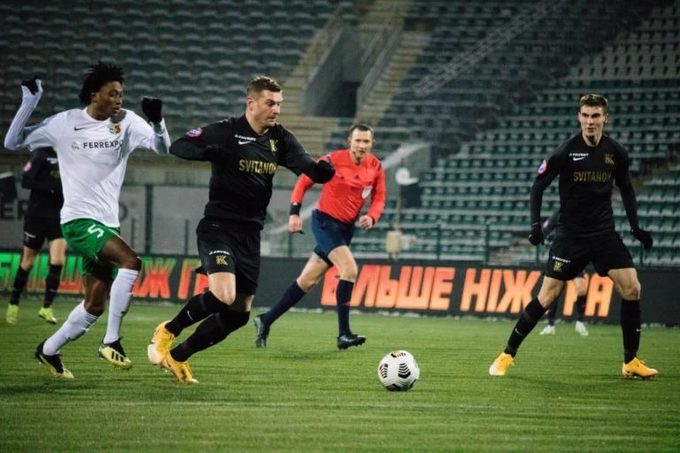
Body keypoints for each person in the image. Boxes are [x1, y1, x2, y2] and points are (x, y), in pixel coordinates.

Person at [147, 75, 335, 384]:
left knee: (238, 314)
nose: (276, 110)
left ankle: (178, 356)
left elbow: (307, 165)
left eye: (279, 104)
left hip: (250, 234)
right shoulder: (226, 131)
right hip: (218, 227)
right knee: (224, 294)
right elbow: (180, 146)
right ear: (251, 103)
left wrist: (323, 172)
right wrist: (209, 151)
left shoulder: (280, 138)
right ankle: (168, 330)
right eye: (270, 103)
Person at [4, 62, 171, 379]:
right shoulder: (65, 123)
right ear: (95, 95)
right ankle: (112, 340)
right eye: (112, 94)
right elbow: (12, 143)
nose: (118, 100)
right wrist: (29, 102)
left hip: (107, 224)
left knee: (94, 305)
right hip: (78, 221)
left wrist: (158, 122)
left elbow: (163, 149)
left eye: (121, 94)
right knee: (131, 261)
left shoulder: (127, 122)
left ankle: (48, 350)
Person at [489, 93, 657, 379]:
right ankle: (507, 354)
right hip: (571, 236)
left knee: (632, 288)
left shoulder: (616, 152)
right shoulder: (566, 151)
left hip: (603, 234)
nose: (590, 121)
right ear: (579, 117)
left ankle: (631, 361)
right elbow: (538, 186)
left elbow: (627, 189)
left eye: (596, 116)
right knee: (546, 297)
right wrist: (535, 226)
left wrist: (635, 227)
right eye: (586, 116)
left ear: (605, 118)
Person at [253, 123, 386, 350]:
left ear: (372, 143)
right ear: (349, 141)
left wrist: (372, 217)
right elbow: (304, 181)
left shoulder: (375, 166)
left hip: (346, 229)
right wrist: (294, 213)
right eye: (358, 140)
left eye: (366, 141)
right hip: (325, 223)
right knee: (349, 270)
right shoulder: (332, 161)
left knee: (308, 280)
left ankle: (266, 319)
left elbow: (379, 197)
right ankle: (344, 334)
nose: (362, 145)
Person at [6, 147, 65, 325]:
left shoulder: (69, 153)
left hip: (58, 216)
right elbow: (26, 180)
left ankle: (46, 307)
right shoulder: (41, 154)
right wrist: (51, 187)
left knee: (58, 260)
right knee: (28, 262)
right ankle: (13, 303)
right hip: (37, 216)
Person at [538, 210, 589, 336]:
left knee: (581, 288)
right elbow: (545, 229)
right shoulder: (559, 213)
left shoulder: (583, 212)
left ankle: (580, 322)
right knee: (554, 291)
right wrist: (546, 237)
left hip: (576, 257)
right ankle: (550, 324)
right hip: (560, 256)